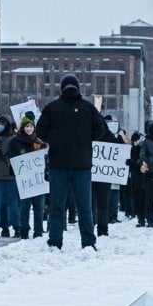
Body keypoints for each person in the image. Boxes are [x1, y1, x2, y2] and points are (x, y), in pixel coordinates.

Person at [35, 75, 109, 249]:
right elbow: (101, 129)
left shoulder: (52, 108)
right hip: (82, 165)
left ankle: (55, 241)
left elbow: (40, 131)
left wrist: (55, 140)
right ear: (78, 88)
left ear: (61, 88)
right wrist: (85, 140)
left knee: (57, 206)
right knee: (84, 207)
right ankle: (88, 242)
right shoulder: (88, 108)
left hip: (58, 164)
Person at [4, 114, 47, 239]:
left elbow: (45, 157)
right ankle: (24, 231)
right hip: (24, 181)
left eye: (31, 126)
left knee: (39, 207)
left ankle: (38, 232)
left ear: (34, 127)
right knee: (24, 207)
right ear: (23, 128)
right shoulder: (15, 142)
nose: (29, 129)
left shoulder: (39, 142)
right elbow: (10, 158)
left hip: (38, 180)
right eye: (26, 126)